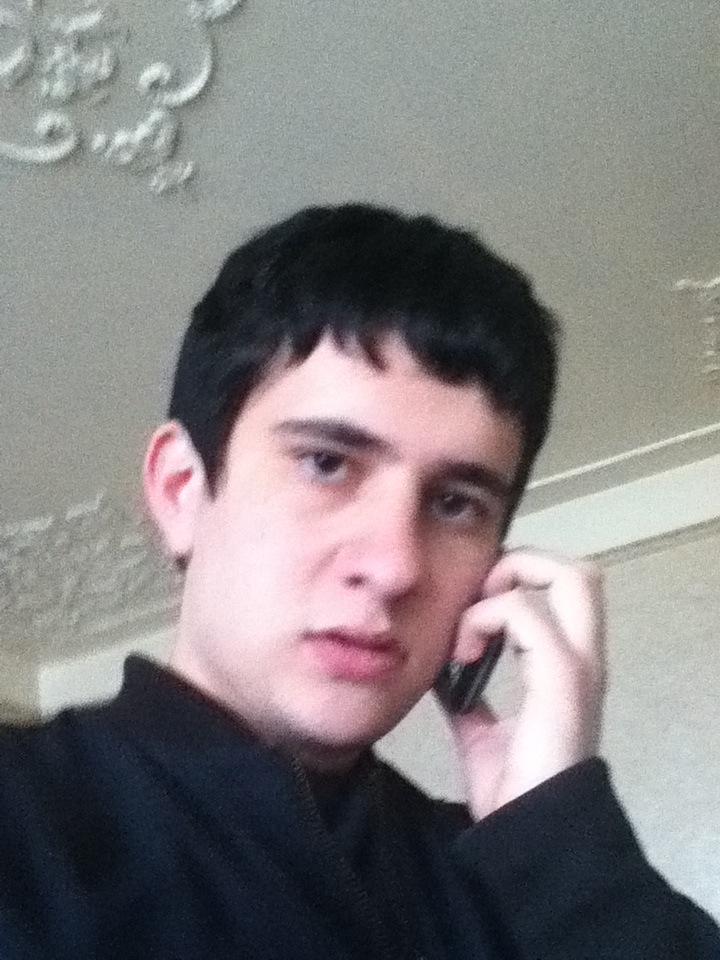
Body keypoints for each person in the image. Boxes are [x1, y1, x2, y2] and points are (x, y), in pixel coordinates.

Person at [1, 204, 717, 960]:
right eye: (325, 463)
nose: (395, 567)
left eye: (455, 504)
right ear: (182, 490)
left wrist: (559, 839)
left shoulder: (528, 890)